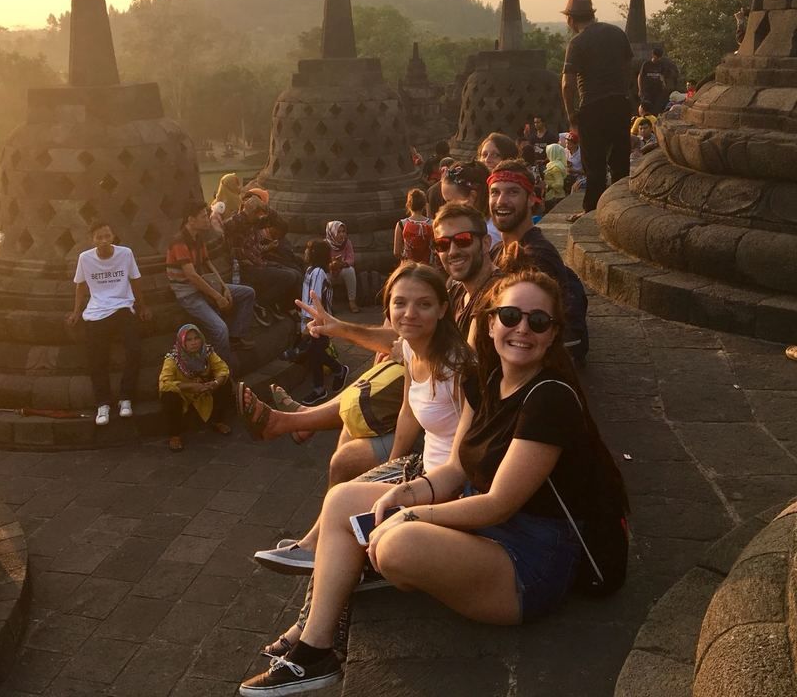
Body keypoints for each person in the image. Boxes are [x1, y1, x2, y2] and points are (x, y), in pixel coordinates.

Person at [238, 269, 626, 695]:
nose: (522, 329)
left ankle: (378, 570)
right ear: (492, 321)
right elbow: (458, 468)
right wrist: (407, 490)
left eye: (538, 321)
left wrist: (411, 514)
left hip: (529, 559)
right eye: (511, 315)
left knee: (394, 545)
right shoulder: (490, 382)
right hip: (484, 527)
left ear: (553, 335)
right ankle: (316, 648)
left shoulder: (549, 399)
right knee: (343, 498)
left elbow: (499, 503)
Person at [242, 264, 471, 629]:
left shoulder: (458, 367)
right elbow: (409, 412)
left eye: (424, 304)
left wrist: (408, 485)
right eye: (400, 303)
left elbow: (467, 455)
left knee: (343, 532)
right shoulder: (413, 349)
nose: (409, 313)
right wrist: (393, 468)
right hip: (423, 467)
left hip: (448, 484)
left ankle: (306, 632)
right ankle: (311, 559)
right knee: (343, 500)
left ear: (443, 309)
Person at [487, 161, 588, 359]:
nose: (501, 201)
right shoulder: (499, 250)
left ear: (531, 198)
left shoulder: (537, 257)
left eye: (513, 192)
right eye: (495, 192)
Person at [67, 220, 151, 424]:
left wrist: (142, 306)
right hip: (97, 311)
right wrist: (76, 311)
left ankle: (126, 398)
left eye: (107, 236)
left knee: (134, 350)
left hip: (123, 307)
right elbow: (80, 286)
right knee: (96, 357)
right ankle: (102, 404)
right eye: (99, 237)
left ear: (113, 236)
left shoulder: (125, 254)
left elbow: (135, 280)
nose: (104, 241)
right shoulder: (85, 258)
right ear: (92, 240)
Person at [560, 0, 634, 218]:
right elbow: (629, 68)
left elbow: (567, 84)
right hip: (620, 103)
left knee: (595, 165)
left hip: (593, 106)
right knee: (620, 160)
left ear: (571, 19)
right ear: (592, 13)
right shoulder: (616, 33)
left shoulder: (578, 42)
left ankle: (591, 211)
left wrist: (571, 113)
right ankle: (623, 208)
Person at [166, 201, 256, 368]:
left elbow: (208, 263)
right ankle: (223, 368)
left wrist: (223, 288)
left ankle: (236, 337)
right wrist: (217, 296)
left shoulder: (198, 238)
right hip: (188, 293)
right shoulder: (179, 242)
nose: (207, 219)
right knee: (220, 329)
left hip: (206, 285)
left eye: (207, 215)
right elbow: (192, 276)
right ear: (191, 220)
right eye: (203, 216)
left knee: (247, 293)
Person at [286, 240, 350, 406]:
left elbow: (316, 299)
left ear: (315, 253)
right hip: (311, 321)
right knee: (316, 354)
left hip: (318, 321)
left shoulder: (318, 273)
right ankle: (338, 370)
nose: (306, 252)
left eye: (309, 249)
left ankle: (320, 389)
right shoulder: (311, 270)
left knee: (315, 355)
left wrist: (310, 322)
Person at [224, 189, 303, 317]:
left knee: (296, 273)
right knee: (289, 276)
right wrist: (246, 212)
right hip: (246, 268)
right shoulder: (235, 222)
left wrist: (266, 208)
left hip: (259, 262)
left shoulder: (255, 221)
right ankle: (261, 302)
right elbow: (226, 228)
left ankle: (289, 308)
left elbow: (282, 226)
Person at [159, 324, 232, 452]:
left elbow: (223, 369)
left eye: (196, 338)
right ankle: (175, 435)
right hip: (184, 394)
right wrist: (190, 386)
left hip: (204, 390)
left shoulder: (207, 352)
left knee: (226, 383)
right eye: (189, 340)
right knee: (169, 396)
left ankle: (218, 421)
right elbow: (165, 382)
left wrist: (215, 383)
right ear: (182, 342)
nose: (194, 343)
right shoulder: (173, 359)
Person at [325, 221, 359, 314]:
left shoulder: (347, 242)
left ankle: (352, 301)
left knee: (350, 271)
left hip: (341, 271)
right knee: (322, 276)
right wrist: (332, 265)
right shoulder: (325, 245)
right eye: (338, 232)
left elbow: (351, 259)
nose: (342, 234)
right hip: (329, 273)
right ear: (332, 233)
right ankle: (326, 305)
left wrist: (341, 264)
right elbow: (321, 263)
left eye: (343, 231)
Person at [392, 188, 433, 264]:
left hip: (408, 265)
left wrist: (405, 260)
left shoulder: (401, 224)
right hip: (426, 265)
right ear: (424, 205)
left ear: (408, 205)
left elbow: (396, 252)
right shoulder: (432, 224)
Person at [637, 46, 669, 113]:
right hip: (647, 90)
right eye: (656, 57)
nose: (657, 59)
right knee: (645, 107)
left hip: (657, 90)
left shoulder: (661, 64)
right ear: (653, 55)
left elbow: (661, 75)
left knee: (656, 108)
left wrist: (664, 84)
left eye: (659, 57)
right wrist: (640, 89)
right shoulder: (646, 64)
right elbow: (640, 76)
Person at [543, 143, 568, 212]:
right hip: (555, 197)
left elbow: (559, 184)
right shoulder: (555, 164)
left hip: (554, 197)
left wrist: (548, 184)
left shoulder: (555, 167)